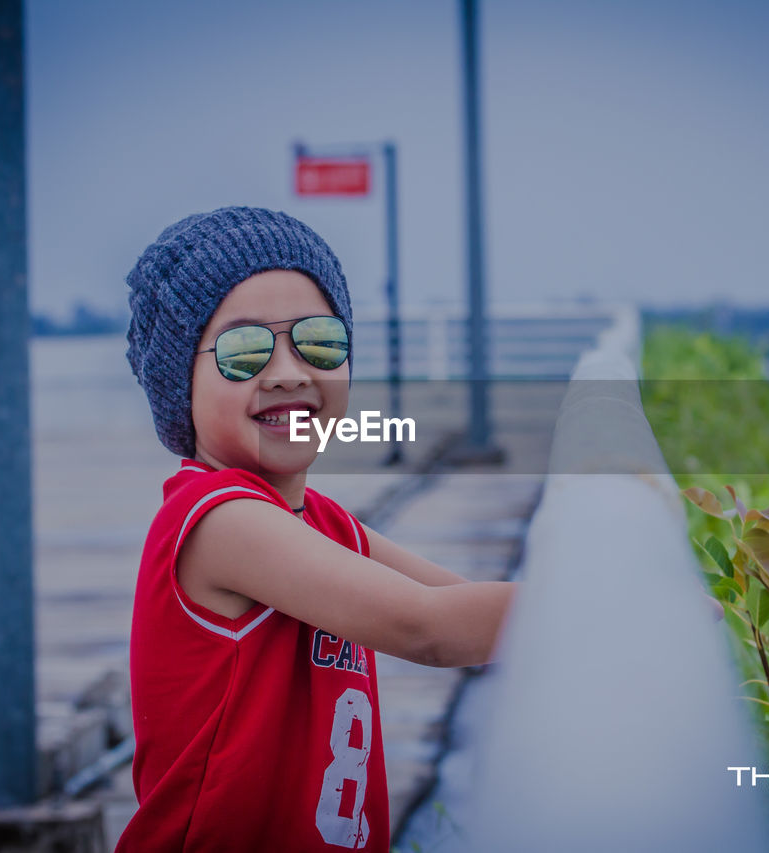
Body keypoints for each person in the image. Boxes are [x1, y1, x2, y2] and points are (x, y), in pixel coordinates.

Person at [116, 206, 515, 852]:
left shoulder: (323, 522)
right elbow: (428, 626)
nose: (288, 371)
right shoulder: (220, 520)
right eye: (244, 351)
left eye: (319, 341)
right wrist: (612, 614)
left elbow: (460, 602)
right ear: (179, 385)